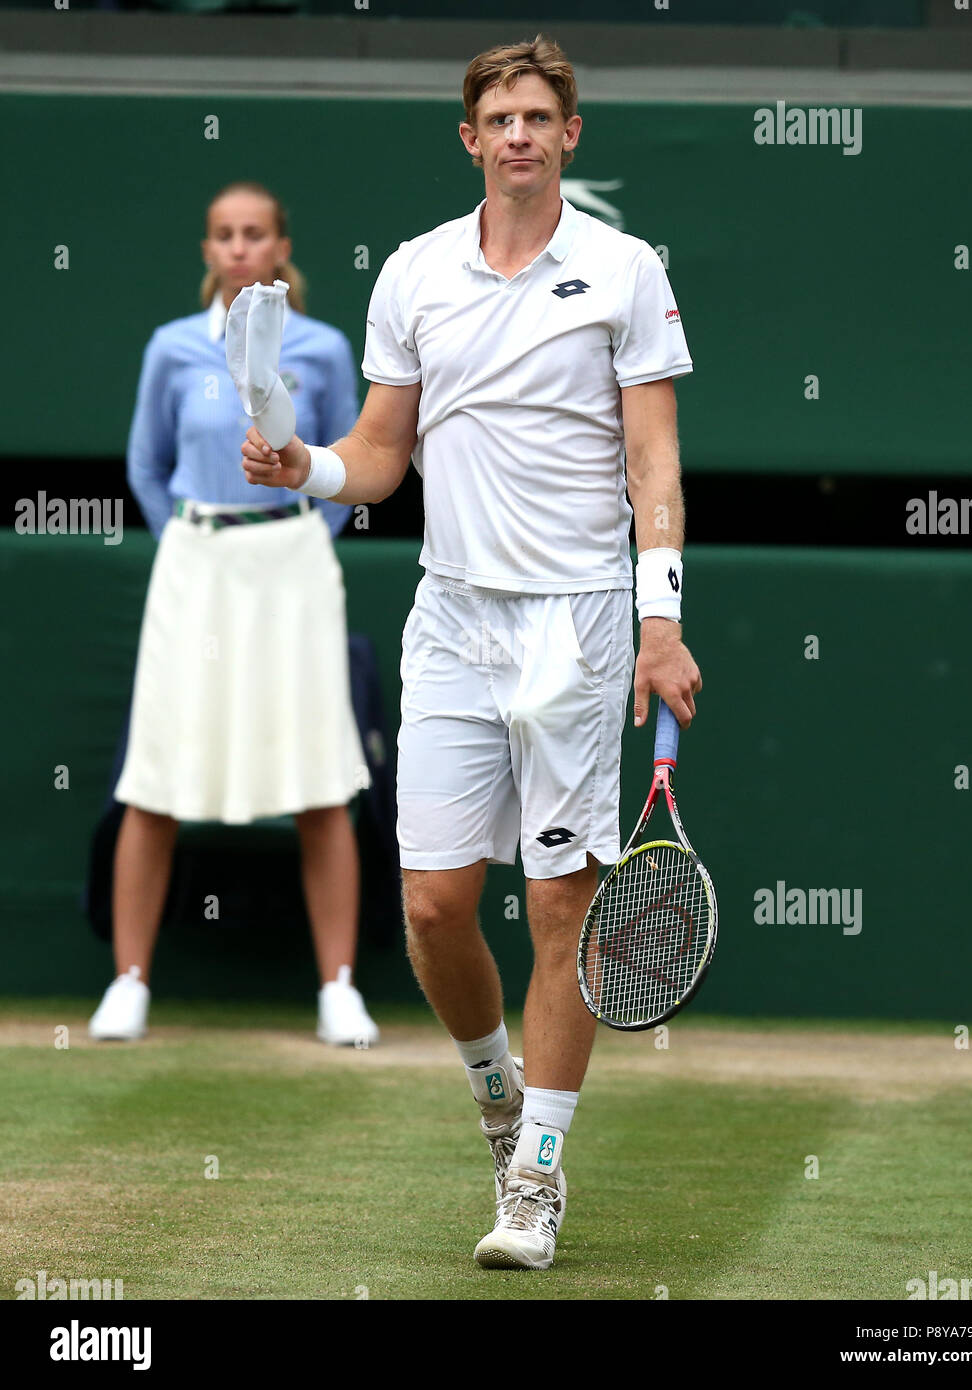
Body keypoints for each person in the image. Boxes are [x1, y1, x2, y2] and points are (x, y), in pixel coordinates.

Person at [241, 34, 702, 1269]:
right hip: (450, 620)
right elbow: (383, 454)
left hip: (580, 624)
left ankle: (535, 1180)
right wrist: (312, 469)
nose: (515, 134)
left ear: (568, 135)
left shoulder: (623, 271)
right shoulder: (413, 274)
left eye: (536, 116)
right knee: (436, 908)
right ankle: (495, 1094)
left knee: (560, 905)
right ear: (468, 137)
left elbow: (651, 461)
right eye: (496, 116)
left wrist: (660, 620)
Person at [89, 181, 378, 1048]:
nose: (241, 247)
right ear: (208, 249)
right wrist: (198, 540)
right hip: (195, 565)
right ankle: (129, 983)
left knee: (321, 779)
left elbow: (344, 461)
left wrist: (297, 537)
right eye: (224, 234)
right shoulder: (170, 348)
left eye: (255, 233)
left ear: (281, 244)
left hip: (293, 563)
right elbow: (147, 466)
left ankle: (338, 989)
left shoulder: (322, 348)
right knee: (156, 777)